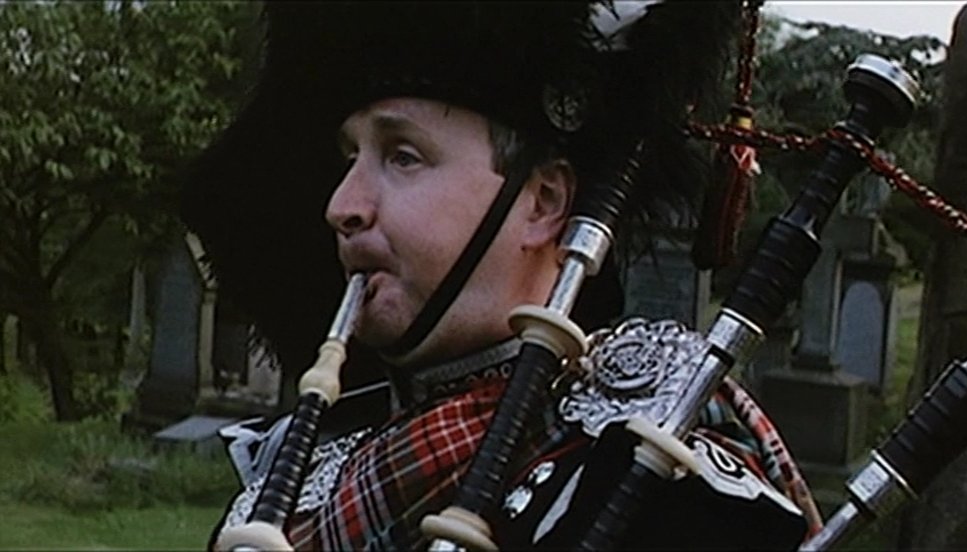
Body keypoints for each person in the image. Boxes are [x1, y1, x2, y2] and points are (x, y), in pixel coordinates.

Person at [184, 1, 817, 549]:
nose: (342, 205)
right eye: (351, 157)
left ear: (542, 203)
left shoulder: (653, 481)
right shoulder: (304, 467)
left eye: (403, 156)